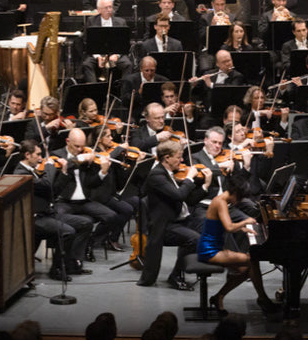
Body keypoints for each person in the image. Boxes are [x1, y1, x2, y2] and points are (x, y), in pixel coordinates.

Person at [197, 170, 279, 317]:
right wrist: (245, 221)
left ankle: (219, 297)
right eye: (239, 197)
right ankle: (263, 299)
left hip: (216, 247)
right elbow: (229, 227)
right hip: (210, 250)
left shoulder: (222, 200)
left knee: (245, 270)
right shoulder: (220, 202)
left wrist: (242, 228)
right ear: (234, 192)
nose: (240, 201)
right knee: (252, 260)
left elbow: (221, 225)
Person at [13, 138, 91, 280]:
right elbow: (47, 184)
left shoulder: (33, 171)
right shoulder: (21, 173)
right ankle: (57, 269)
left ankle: (72, 263)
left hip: (47, 213)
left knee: (85, 223)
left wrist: (64, 172)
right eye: (38, 154)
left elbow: (53, 191)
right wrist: (49, 166)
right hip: (35, 217)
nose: (41, 158)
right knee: (67, 232)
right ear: (27, 155)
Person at [136, 139, 207, 290]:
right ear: (167, 158)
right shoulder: (156, 175)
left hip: (181, 219)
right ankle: (175, 276)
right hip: (165, 225)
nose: (182, 160)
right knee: (194, 239)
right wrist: (189, 178)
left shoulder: (170, 173)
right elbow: (179, 195)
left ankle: (201, 269)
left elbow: (189, 199)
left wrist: (205, 186)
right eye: (179, 157)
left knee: (208, 227)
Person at [50, 128, 125, 263]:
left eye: (82, 146)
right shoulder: (57, 155)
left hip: (84, 201)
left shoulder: (87, 155)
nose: (80, 149)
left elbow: (91, 183)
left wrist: (102, 172)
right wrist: (79, 159)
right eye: (76, 146)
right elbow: (62, 170)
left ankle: (90, 242)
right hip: (64, 201)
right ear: (67, 141)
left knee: (111, 216)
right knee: (59, 218)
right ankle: (66, 258)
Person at [81, 0, 133, 84]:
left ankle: (124, 89)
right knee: (87, 64)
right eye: (106, 8)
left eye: (110, 7)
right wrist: (97, 57)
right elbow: (87, 41)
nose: (109, 10)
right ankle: (93, 89)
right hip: (97, 54)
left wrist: (117, 55)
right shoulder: (91, 21)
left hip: (115, 53)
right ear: (99, 10)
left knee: (128, 64)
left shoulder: (121, 22)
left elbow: (124, 42)